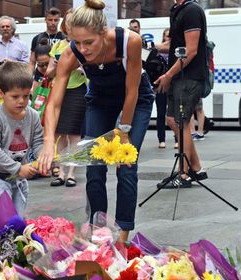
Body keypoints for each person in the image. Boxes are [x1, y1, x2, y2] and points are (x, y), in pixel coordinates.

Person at [38, 0, 154, 242]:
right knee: (94, 166)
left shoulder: (129, 41)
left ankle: (122, 235)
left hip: (135, 101)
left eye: (89, 42)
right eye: (78, 42)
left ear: (103, 33)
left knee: (126, 165)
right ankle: (98, 229)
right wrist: (48, 142)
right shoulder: (72, 52)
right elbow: (55, 101)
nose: (84, 49)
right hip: (100, 100)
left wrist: (123, 131)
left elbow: (131, 91)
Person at [155, 0, 209, 188]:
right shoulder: (177, 10)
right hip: (179, 76)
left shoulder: (192, 10)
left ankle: (183, 175)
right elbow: (175, 45)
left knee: (182, 121)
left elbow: (191, 50)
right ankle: (196, 167)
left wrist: (168, 75)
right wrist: (151, 47)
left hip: (189, 76)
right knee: (172, 119)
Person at [0, 61, 43, 215]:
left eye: (26, 96)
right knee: (4, 218)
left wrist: (42, 158)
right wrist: (19, 168)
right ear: (0, 94)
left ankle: (12, 239)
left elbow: (38, 141)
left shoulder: (33, 115)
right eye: (15, 96)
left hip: (19, 176)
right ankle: (0, 238)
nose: (21, 101)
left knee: (18, 218)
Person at [45, 8, 88, 187]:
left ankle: (72, 173)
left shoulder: (82, 45)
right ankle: (61, 172)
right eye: (68, 22)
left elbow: (91, 72)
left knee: (74, 135)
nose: (70, 25)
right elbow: (47, 73)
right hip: (59, 90)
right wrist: (56, 66)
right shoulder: (58, 46)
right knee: (61, 133)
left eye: (74, 21)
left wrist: (80, 68)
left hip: (77, 90)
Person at [0, 16, 29, 109]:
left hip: (15, 80)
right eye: (2, 27)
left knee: (14, 106)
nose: (5, 29)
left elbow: (27, 65)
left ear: (12, 28)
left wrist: (12, 63)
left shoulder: (21, 45)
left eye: (7, 26)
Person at [155, 28, 170, 149]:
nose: (168, 38)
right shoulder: (158, 51)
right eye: (166, 36)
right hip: (161, 85)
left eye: (169, 36)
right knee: (161, 113)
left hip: (173, 84)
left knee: (174, 113)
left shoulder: (175, 51)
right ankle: (161, 139)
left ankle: (177, 139)